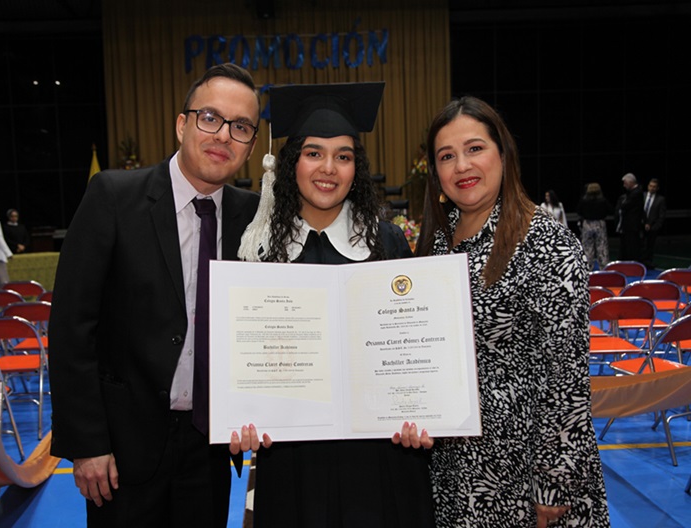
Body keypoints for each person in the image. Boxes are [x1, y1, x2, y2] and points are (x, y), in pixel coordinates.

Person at [48, 63, 261, 527]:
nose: (223, 135)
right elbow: (71, 327)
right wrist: (86, 443)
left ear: (251, 145)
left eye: (241, 127)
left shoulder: (254, 217)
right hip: (122, 448)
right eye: (210, 118)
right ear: (182, 124)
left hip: (209, 446)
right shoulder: (113, 197)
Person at [231, 82, 435, 528]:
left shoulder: (386, 244)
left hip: (379, 456)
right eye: (313, 153)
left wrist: (423, 409)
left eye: (343, 156)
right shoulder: (260, 251)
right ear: (291, 164)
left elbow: (411, 355)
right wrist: (240, 413)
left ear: (356, 168)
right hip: (292, 457)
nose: (329, 168)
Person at [414, 96, 610, 527]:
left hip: (524, 477)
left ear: (503, 153)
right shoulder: (436, 245)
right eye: (447, 156)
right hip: (454, 470)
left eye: (475, 148)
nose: (462, 165)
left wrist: (554, 483)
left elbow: (566, 379)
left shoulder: (547, 244)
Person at [576, 182, 614, 271]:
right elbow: (610, 210)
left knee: (587, 247)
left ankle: (587, 267)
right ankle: (604, 267)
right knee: (602, 246)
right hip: (600, 224)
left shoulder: (584, 200)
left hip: (587, 224)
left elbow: (578, 211)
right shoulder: (603, 200)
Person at [615, 172, 643, 261]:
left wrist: (622, 205)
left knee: (632, 247)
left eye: (625, 183)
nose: (624, 185)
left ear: (631, 182)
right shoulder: (631, 193)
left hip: (632, 225)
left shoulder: (636, 193)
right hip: (627, 226)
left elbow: (625, 205)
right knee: (626, 246)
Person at [642, 178, 666, 269]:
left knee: (650, 246)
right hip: (641, 225)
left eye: (654, 187)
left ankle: (648, 262)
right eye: (651, 186)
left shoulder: (660, 199)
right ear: (648, 186)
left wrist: (654, 227)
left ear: (657, 188)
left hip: (653, 227)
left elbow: (661, 215)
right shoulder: (642, 196)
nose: (652, 188)